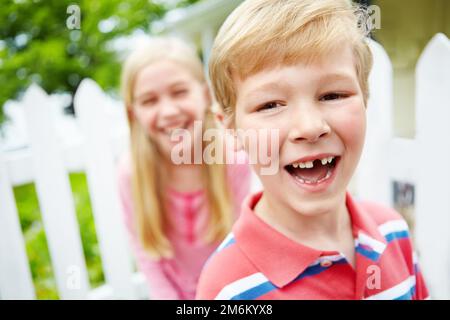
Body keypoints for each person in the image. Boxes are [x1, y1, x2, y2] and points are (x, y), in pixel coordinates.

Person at [196, 0, 429, 300]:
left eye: (333, 95)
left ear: (365, 99)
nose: (309, 127)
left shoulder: (393, 232)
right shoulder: (227, 288)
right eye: (270, 105)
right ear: (230, 129)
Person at [117, 37, 250, 299]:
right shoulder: (131, 173)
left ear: (205, 96)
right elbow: (148, 258)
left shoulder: (233, 157)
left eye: (179, 92)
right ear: (133, 114)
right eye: (149, 100)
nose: (168, 111)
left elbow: (243, 247)